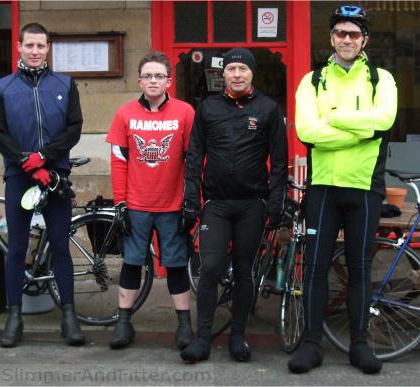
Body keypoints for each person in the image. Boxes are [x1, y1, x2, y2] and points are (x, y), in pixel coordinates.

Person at [288, 5, 397, 375]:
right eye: (340, 33)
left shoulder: (381, 79)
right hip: (323, 188)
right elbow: (306, 132)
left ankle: (360, 344)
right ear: (331, 37)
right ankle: (312, 344)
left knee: (359, 269)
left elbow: (383, 121)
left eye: (354, 33)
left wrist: (332, 118)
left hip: (364, 189)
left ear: (364, 39)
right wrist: (358, 132)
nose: (347, 39)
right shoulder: (313, 80)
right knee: (316, 268)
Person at [180, 48, 288, 363]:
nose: (237, 74)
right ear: (223, 74)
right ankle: (203, 338)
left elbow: (279, 161)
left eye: (243, 68)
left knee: (244, 271)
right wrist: (191, 198)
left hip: (252, 204)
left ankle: (237, 337)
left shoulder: (268, 108)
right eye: (232, 69)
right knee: (210, 268)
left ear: (252, 73)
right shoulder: (207, 107)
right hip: (216, 203)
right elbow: (194, 155)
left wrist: (275, 202)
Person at [0, 23, 84, 347]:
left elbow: (74, 127)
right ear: (19, 46)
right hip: (19, 175)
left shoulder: (65, 84)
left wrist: (45, 156)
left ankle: (69, 317)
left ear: (48, 48)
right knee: (17, 248)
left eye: (40, 46)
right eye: (29, 45)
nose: (34, 51)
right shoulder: (3, 87)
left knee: (60, 246)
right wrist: (24, 160)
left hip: (54, 174)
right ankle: (14, 318)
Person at [106, 51, 195, 350]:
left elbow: (194, 161)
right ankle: (123, 323)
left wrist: (191, 200)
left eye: (159, 76)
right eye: (148, 76)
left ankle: (184, 325)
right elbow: (118, 161)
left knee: (176, 265)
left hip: (173, 206)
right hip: (136, 205)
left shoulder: (185, 112)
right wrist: (120, 202)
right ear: (140, 81)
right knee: (132, 263)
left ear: (169, 81)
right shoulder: (124, 113)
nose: (153, 80)